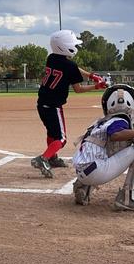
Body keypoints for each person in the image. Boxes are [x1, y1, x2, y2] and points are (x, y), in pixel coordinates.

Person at [31, 29, 107, 178]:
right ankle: (44, 158)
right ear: (65, 46)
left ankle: (52, 157)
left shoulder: (51, 57)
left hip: (42, 104)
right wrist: (96, 86)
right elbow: (78, 89)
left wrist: (91, 75)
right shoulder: (69, 66)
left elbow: (73, 67)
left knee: (51, 133)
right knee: (61, 138)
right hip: (54, 106)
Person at [72, 84, 134, 211]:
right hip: (97, 171)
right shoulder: (120, 120)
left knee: (108, 149)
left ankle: (83, 187)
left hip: (82, 171)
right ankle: (129, 199)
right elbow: (116, 135)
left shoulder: (100, 122)